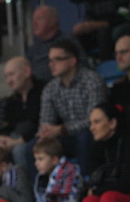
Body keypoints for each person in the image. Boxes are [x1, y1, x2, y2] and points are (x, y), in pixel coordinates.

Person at [33, 39, 106, 175]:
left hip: (91, 133)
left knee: (84, 137)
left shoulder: (92, 81)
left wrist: (62, 129)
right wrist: (45, 133)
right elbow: (46, 122)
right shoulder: (50, 88)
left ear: (72, 61)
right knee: (34, 146)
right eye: (50, 60)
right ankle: (42, 185)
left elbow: (95, 121)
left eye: (57, 59)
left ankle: (86, 181)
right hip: (66, 137)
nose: (51, 64)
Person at [0, 57, 45, 169]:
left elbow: (43, 124)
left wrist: (19, 141)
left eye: (11, 75)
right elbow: (6, 125)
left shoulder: (44, 91)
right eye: (6, 77)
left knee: (19, 150)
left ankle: (26, 180)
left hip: (39, 137)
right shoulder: (11, 100)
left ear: (27, 72)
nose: (8, 81)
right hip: (17, 137)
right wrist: (1, 137)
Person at [26, 6, 87, 82]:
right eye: (33, 20)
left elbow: (83, 67)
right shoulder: (33, 49)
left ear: (53, 21)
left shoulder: (68, 41)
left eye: (39, 19)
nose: (34, 23)